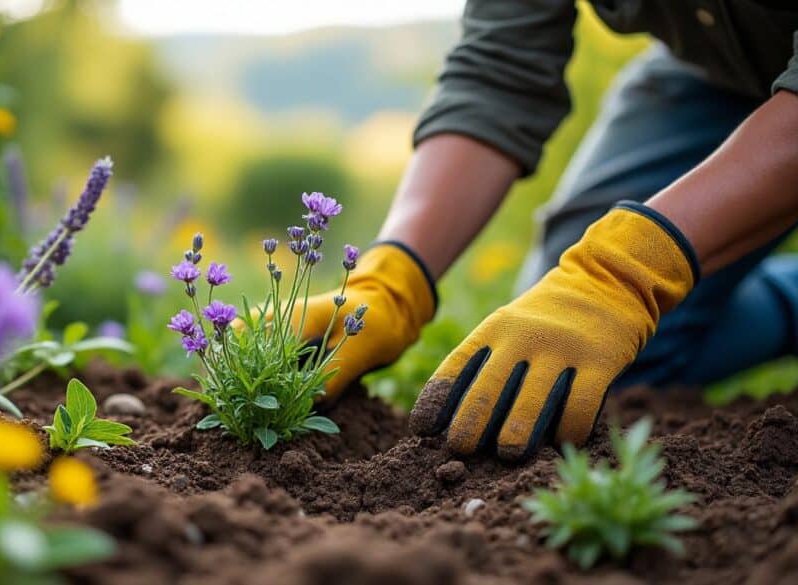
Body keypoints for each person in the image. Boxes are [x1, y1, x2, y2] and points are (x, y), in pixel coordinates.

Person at [298, 1, 798, 460]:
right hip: (712, 73)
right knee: (574, 359)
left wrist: (628, 271)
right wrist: (392, 278)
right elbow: (499, 70)